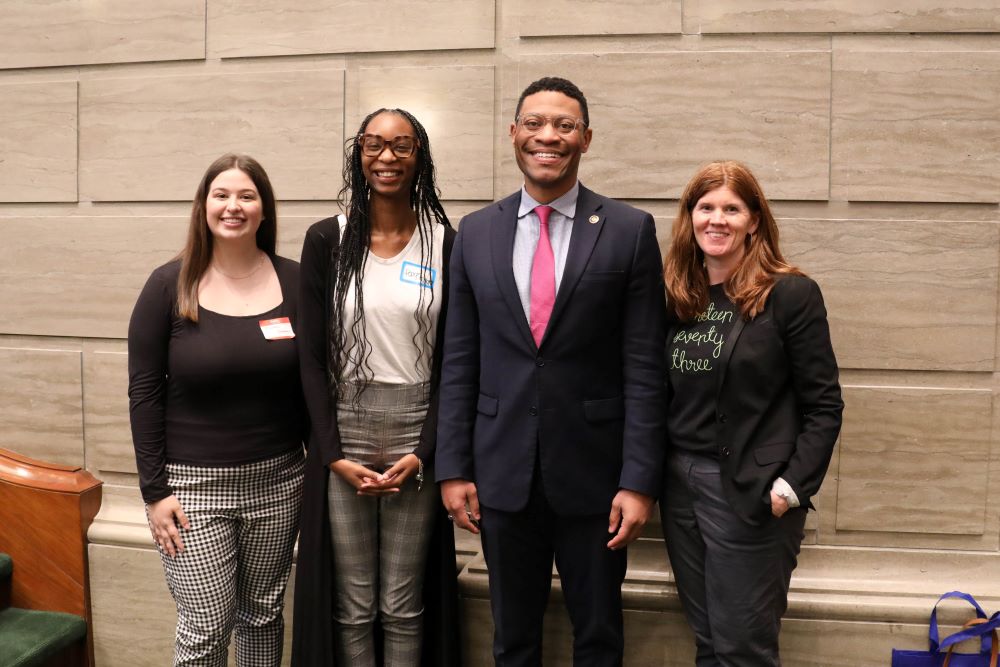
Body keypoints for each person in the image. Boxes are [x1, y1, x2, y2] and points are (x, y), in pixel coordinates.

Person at [436, 76, 667, 666]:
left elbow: (644, 367)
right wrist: (453, 468)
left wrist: (639, 480)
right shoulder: (476, 233)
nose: (549, 137)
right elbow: (459, 359)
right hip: (500, 475)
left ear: (585, 139)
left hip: (597, 478)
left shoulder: (628, 230)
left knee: (598, 636)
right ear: (513, 134)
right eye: (535, 123)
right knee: (512, 639)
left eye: (564, 126)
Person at [291, 108, 460, 667]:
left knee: (402, 602)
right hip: (347, 425)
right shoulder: (327, 240)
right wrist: (331, 455)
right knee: (355, 602)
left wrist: (425, 450)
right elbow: (311, 359)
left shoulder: (445, 242)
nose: (387, 157)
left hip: (417, 428)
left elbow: (454, 362)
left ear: (420, 158)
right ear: (358, 155)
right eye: (373, 145)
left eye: (402, 146)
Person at [660, 160, 844, 666]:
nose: (717, 220)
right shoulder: (678, 296)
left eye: (732, 209)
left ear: (754, 221)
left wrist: (789, 488)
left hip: (749, 492)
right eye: (705, 208)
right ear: (689, 217)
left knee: (744, 649)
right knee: (709, 642)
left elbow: (824, 405)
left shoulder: (790, 294)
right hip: (679, 488)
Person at [128, 154, 306, 666]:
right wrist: (155, 492)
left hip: (279, 481)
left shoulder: (295, 282)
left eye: (247, 196)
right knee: (206, 624)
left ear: (264, 209)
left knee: (262, 615)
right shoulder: (169, 285)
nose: (234, 206)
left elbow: (314, 384)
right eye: (221, 195)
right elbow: (144, 393)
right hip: (191, 489)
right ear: (203, 206)